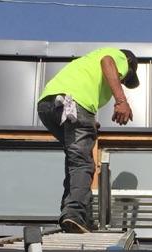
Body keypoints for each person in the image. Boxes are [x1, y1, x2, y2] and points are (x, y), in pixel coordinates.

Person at [37, 47, 140, 233]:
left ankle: (69, 213)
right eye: (124, 77)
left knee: (74, 158)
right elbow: (108, 61)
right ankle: (73, 214)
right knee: (83, 162)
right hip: (74, 103)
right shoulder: (117, 56)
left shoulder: (87, 61)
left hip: (48, 105)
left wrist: (88, 122)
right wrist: (121, 100)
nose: (122, 80)